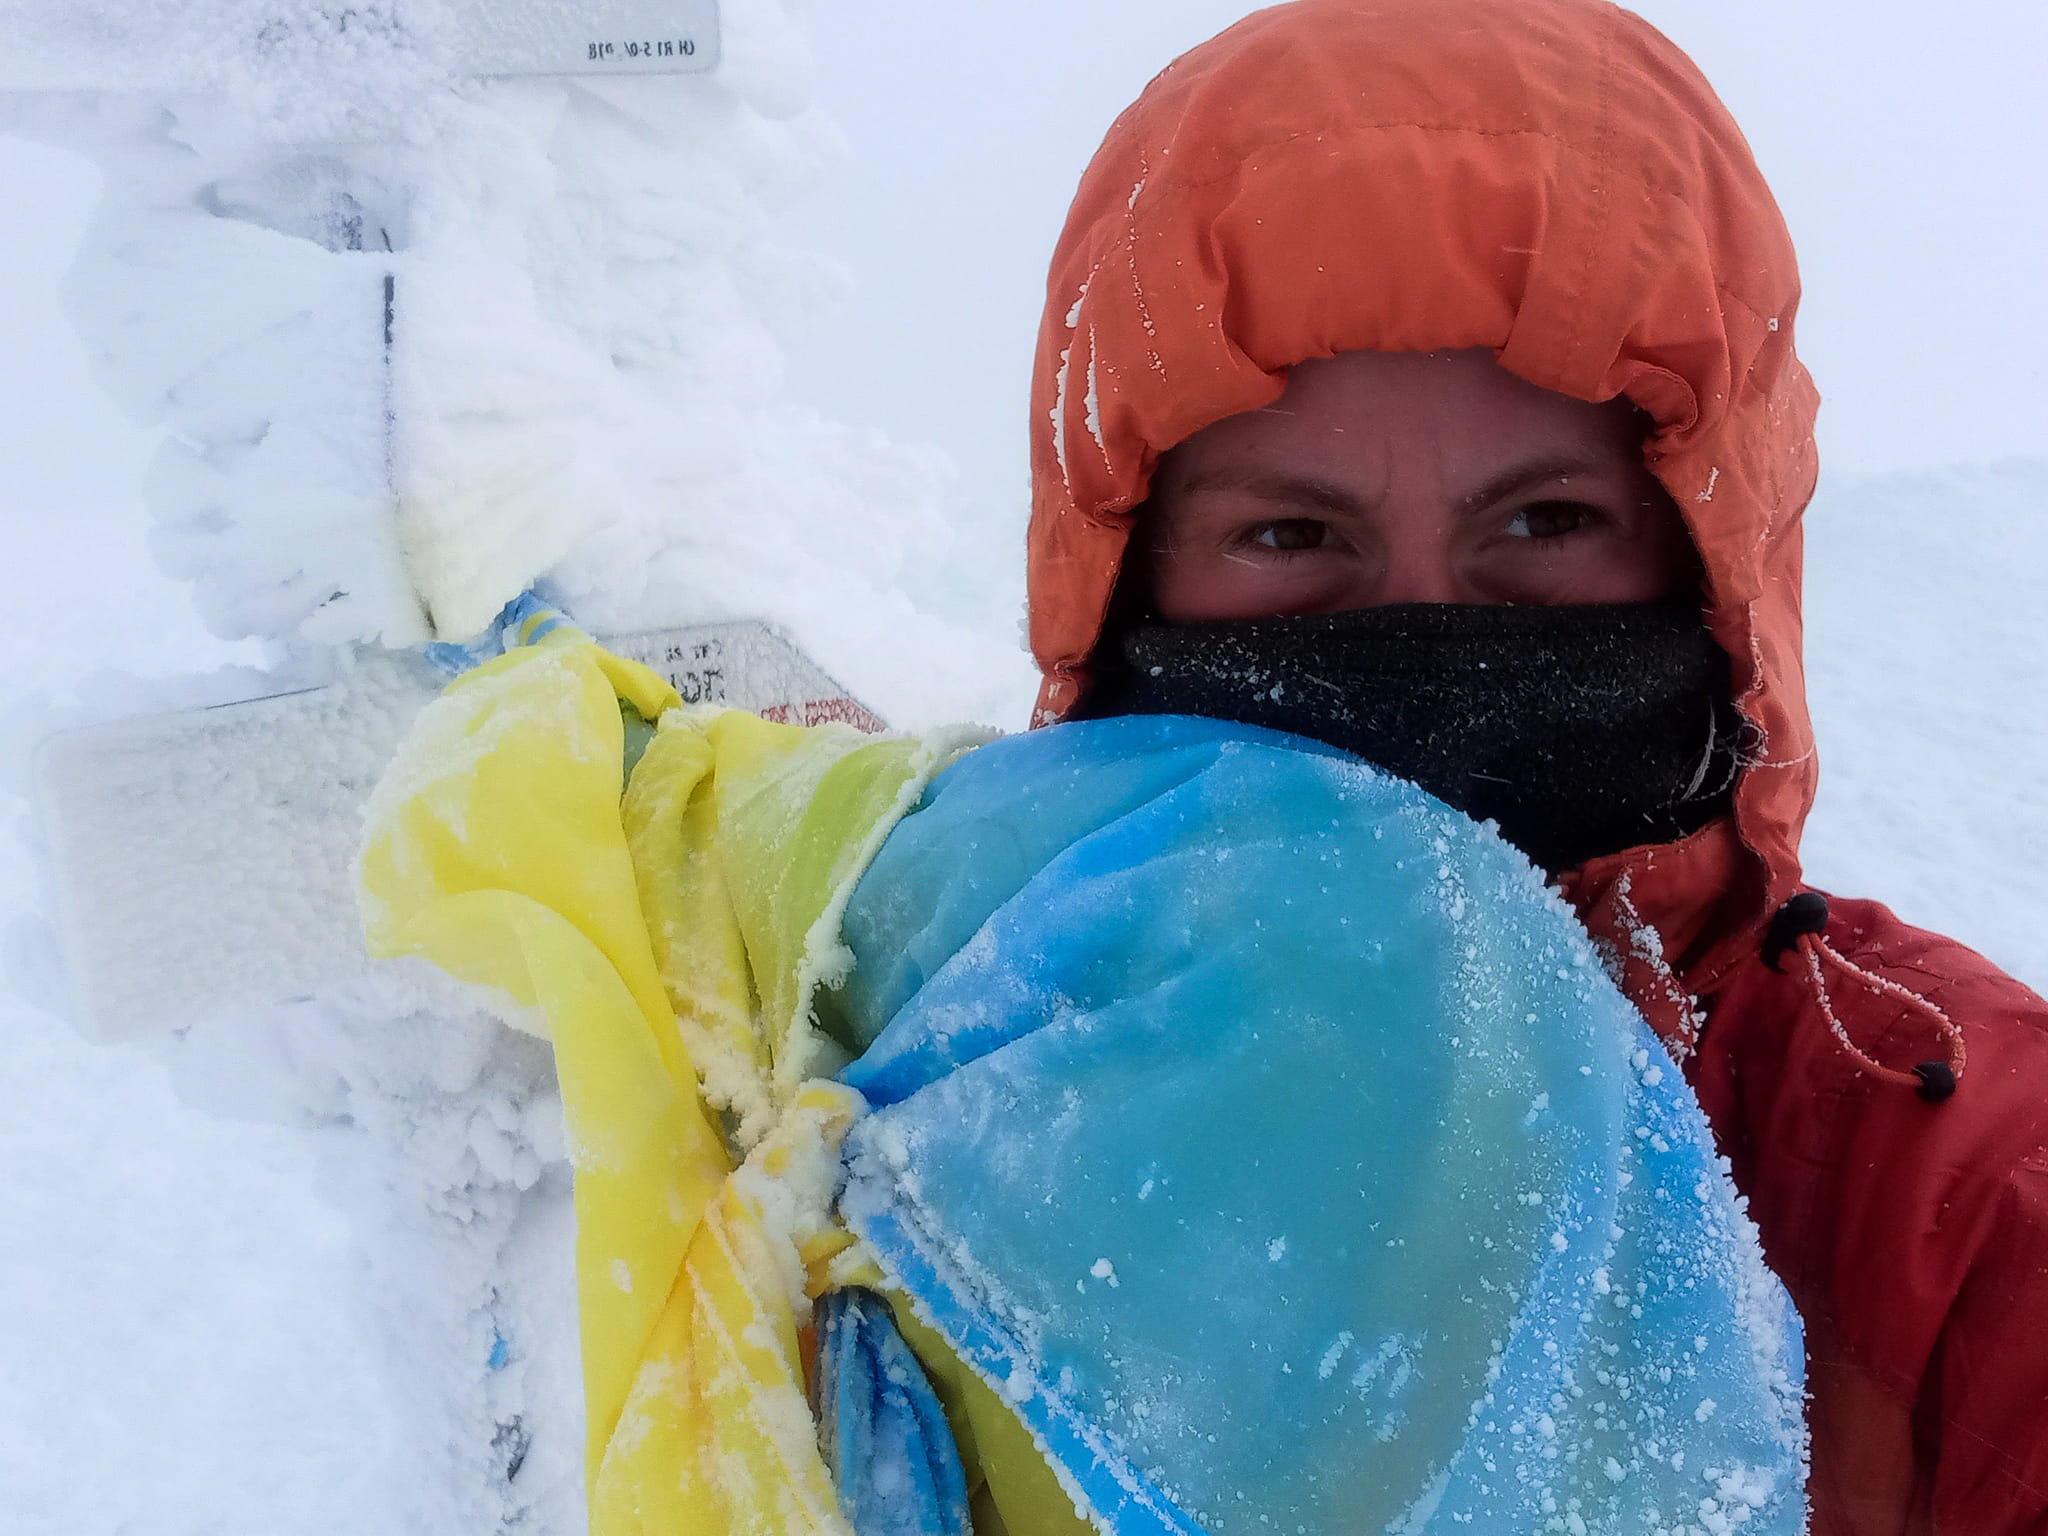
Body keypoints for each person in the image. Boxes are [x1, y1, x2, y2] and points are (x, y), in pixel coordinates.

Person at [1022, 1, 2048, 1532]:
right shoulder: (976, 1079)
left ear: (1712, 559)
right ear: (1123, 590)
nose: (1426, 625)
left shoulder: (1961, 1174)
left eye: (1545, 521)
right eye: (1292, 535)